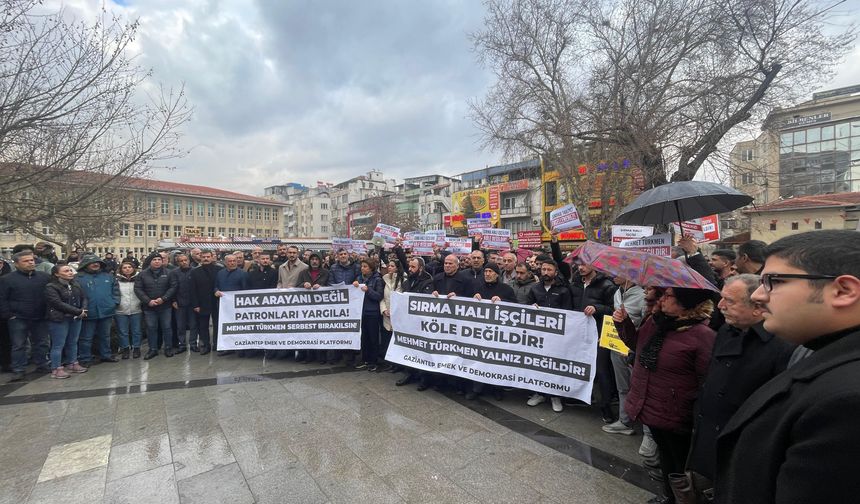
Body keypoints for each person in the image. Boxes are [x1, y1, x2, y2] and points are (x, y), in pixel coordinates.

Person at [715, 230, 860, 503]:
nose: (758, 295)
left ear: (843, 291)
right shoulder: (828, 363)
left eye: (774, 281)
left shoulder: (847, 403)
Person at [685, 274, 795, 493]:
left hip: (744, 449)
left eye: (730, 301)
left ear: (758, 306)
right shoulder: (726, 330)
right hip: (707, 439)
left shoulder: (784, 344)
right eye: (722, 298)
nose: (721, 305)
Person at [615, 287, 716, 504]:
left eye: (667, 296)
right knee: (665, 458)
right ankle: (669, 497)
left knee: (679, 463)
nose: (661, 299)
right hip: (651, 406)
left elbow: (707, 380)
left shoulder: (702, 335)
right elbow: (637, 345)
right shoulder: (655, 322)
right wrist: (623, 324)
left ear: (684, 303)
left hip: (676, 413)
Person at [570, 261, 618, 422]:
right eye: (578, 265)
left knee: (601, 370)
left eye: (584, 264)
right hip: (579, 333)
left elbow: (614, 310)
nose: (581, 268)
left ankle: (606, 407)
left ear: (595, 266)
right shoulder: (575, 283)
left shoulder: (607, 285)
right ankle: (580, 396)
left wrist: (598, 308)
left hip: (599, 334)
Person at [525, 259, 573, 412]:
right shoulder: (534, 289)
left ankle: (555, 395)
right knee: (538, 364)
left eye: (549, 270)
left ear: (555, 272)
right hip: (538, 334)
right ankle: (539, 393)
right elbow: (526, 307)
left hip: (556, 336)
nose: (545, 272)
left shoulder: (564, 290)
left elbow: (569, 313)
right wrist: (531, 307)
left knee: (553, 365)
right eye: (543, 269)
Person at [602, 278, 646, 437]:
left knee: (637, 386)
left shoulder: (642, 296)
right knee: (622, 386)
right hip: (616, 347)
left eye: (619, 272)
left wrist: (633, 348)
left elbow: (645, 324)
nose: (614, 275)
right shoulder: (617, 293)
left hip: (632, 350)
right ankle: (624, 420)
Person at [0, 250, 52, 381]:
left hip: (40, 316)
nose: (30, 263)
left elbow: (50, 295)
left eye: (32, 260)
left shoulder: (44, 277)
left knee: (42, 343)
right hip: (18, 318)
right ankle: (19, 369)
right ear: (16, 264)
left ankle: (42, 364)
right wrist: (8, 315)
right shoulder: (7, 279)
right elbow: (2, 299)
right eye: (26, 261)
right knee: (19, 345)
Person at [468, 262, 516, 401]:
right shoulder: (478, 288)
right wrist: (473, 298)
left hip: (498, 334)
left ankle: (497, 389)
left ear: (496, 274)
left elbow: (516, 308)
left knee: (496, 361)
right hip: (479, 333)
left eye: (490, 271)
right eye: (485, 271)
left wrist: (503, 301)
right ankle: (477, 388)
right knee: (479, 360)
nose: (487, 274)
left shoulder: (506, 289)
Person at [44, 264, 89, 379]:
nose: (70, 272)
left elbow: (84, 297)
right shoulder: (51, 287)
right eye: (66, 271)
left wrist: (83, 309)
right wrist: (78, 311)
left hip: (75, 317)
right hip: (59, 318)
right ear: (56, 274)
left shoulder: (75, 284)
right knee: (58, 344)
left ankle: (73, 363)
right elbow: (57, 303)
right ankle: (56, 368)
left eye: (70, 270)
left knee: (73, 342)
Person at [76, 254, 120, 365]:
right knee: (86, 337)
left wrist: (114, 303)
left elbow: (116, 291)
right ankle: (85, 358)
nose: (95, 264)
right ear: (85, 265)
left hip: (106, 311)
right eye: (92, 263)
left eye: (97, 263)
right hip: (87, 313)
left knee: (105, 336)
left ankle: (106, 355)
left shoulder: (108, 276)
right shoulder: (77, 278)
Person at [135, 254, 178, 360]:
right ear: (150, 261)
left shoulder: (169, 273)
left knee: (167, 327)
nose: (157, 261)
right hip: (149, 307)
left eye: (159, 259)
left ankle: (168, 347)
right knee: (151, 328)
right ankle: (153, 349)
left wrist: (164, 298)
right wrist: (148, 301)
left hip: (165, 306)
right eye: (154, 260)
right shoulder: (142, 274)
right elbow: (138, 289)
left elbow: (173, 286)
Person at [295, 253, 328, 363]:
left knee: (321, 332)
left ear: (320, 261)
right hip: (307, 308)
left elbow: (331, 287)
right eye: (312, 259)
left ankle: (321, 357)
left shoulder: (326, 273)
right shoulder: (303, 273)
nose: (314, 261)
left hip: (321, 308)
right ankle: (309, 356)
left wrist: (322, 287)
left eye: (316, 259)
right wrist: (303, 284)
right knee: (308, 332)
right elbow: (297, 286)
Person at [353, 257, 384, 371]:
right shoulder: (359, 278)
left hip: (373, 313)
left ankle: (373, 361)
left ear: (371, 268)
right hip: (361, 312)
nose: (362, 268)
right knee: (364, 337)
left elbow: (379, 296)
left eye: (365, 266)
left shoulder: (377, 279)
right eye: (362, 266)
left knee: (373, 338)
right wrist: (354, 285)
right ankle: (365, 359)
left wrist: (368, 290)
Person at [214, 254, 248, 356]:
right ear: (225, 263)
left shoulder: (243, 274)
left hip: (238, 307)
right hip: (224, 307)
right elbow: (215, 286)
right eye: (230, 261)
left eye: (234, 261)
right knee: (226, 327)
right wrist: (216, 291)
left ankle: (240, 348)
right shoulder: (220, 273)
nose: (232, 263)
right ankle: (227, 347)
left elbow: (246, 290)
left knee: (238, 327)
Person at [379, 257, 407, 372]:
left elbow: (403, 299)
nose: (389, 268)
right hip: (387, 315)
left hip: (397, 316)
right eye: (388, 266)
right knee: (387, 340)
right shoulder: (385, 279)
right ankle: (389, 362)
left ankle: (398, 364)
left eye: (392, 266)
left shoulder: (403, 280)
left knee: (396, 341)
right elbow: (383, 298)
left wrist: (394, 311)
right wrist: (384, 310)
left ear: (397, 268)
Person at [190, 250, 219, 355]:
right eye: (203, 257)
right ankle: (206, 345)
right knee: (203, 326)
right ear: (200, 258)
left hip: (217, 302)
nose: (206, 259)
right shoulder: (195, 272)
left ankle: (217, 344)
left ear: (212, 257)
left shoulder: (219, 269)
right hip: (202, 303)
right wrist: (196, 304)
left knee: (217, 324)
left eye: (208, 257)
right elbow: (192, 290)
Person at [169, 253, 197, 354]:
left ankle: (193, 344)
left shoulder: (195, 271)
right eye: (181, 261)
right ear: (178, 262)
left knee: (194, 325)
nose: (184, 262)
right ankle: (182, 344)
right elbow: (172, 288)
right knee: (180, 326)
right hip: (179, 303)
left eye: (185, 260)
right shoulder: (174, 273)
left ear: (189, 261)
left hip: (192, 303)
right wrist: (173, 300)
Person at [115, 260, 143, 359]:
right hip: (121, 309)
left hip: (136, 308)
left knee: (136, 331)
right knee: (123, 331)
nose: (127, 269)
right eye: (125, 267)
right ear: (121, 270)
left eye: (129, 267)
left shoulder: (138, 279)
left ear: (133, 268)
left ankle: (136, 348)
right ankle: (125, 348)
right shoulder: (116, 280)